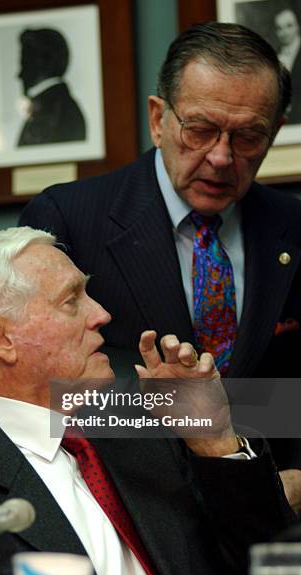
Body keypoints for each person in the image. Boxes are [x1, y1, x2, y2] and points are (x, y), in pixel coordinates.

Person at [0, 227, 296, 575]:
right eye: (71, 300)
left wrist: (213, 437)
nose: (102, 314)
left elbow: (269, 567)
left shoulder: (146, 428)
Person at [18, 21, 301, 501]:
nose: (220, 157)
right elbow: (40, 390)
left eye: (248, 137)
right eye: (200, 129)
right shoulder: (69, 217)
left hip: (278, 508)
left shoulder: (292, 225)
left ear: (275, 132)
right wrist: (201, 419)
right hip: (131, 505)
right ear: (158, 119)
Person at [17, 28, 86, 146]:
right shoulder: (60, 106)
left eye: (24, 63)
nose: (19, 75)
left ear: (41, 63)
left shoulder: (50, 111)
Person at [274, 8, 301, 123]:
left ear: (298, 26)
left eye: (289, 26)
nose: (284, 32)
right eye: (279, 28)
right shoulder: (274, 56)